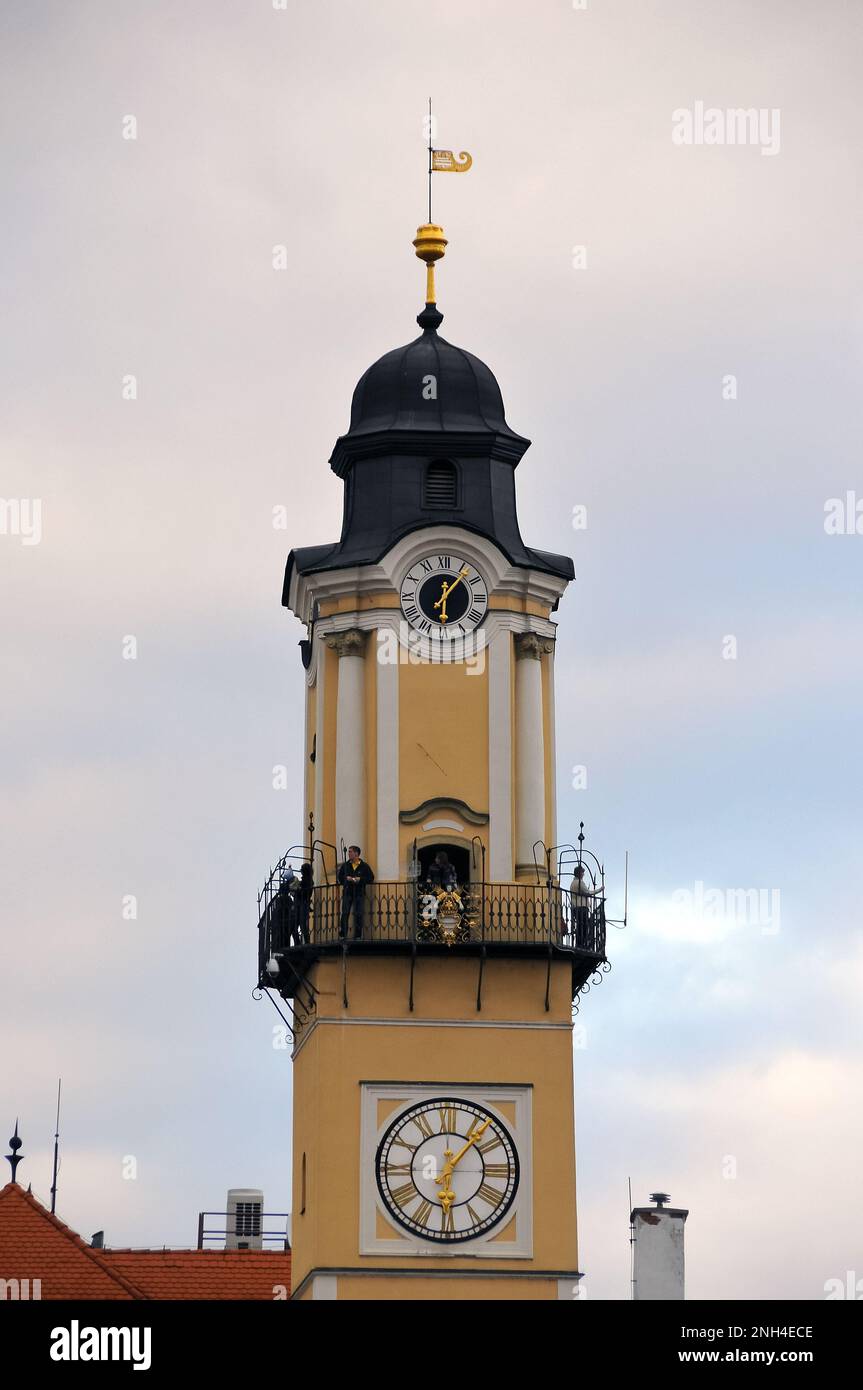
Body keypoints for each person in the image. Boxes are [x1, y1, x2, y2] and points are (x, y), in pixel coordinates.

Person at [337, 846, 374, 939]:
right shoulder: (345, 866)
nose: (348, 853)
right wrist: (346, 879)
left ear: (356, 853)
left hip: (359, 893)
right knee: (345, 913)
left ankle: (358, 935)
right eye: (348, 852)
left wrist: (360, 879)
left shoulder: (364, 866)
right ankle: (343, 934)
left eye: (350, 852)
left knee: (359, 914)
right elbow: (340, 878)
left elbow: (371, 878)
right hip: (347, 892)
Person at [570, 864, 595, 944]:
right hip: (581, 907)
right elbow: (588, 892)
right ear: (579, 873)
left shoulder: (573, 883)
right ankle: (581, 943)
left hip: (575, 907)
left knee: (581, 925)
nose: (583, 874)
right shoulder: (579, 882)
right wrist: (600, 889)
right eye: (582, 872)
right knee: (583, 926)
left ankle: (580, 942)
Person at [294, 862, 313, 945]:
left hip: (303, 904)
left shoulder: (307, 881)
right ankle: (299, 943)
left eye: (302, 870)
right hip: (301, 904)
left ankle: (305, 943)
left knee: (302, 926)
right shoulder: (307, 881)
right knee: (297, 926)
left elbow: (305, 893)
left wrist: (297, 890)